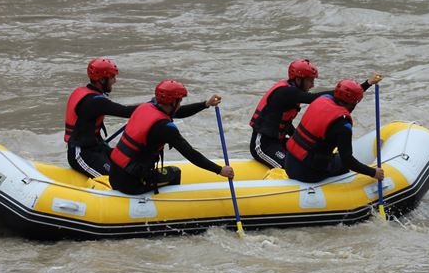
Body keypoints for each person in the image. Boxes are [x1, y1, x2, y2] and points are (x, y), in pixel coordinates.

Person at [65, 58, 218, 179]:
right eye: (112, 77)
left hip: (97, 148)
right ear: (101, 79)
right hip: (81, 153)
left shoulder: (90, 94)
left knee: (120, 168)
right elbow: (126, 111)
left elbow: (167, 113)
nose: (115, 81)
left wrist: (205, 104)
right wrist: (153, 105)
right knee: (111, 178)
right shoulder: (94, 102)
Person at [108, 80, 234, 195]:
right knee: (174, 173)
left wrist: (205, 104)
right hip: (132, 183)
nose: (180, 105)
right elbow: (190, 153)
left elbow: (179, 112)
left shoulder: (145, 107)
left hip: (115, 175)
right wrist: (220, 170)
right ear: (173, 102)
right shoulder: (165, 128)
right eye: (179, 101)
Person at [249, 59, 382, 168]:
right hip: (262, 145)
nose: (312, 85)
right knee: (288, 167)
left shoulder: (292, 92)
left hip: (279, 141)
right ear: (298, 79)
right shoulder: (286, 93)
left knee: (300, 160)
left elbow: (284, 123)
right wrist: (364, 85)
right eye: (310, 80)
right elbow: (319, 98)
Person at [283, 79, 386, 184]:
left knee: (331, 156)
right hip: (308, 174)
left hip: (289, 164)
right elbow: (348, 160)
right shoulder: (342, 124)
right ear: (354, 102)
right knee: (342, 164)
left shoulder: (321, 100)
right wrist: (373, 172)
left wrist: (367, 83)